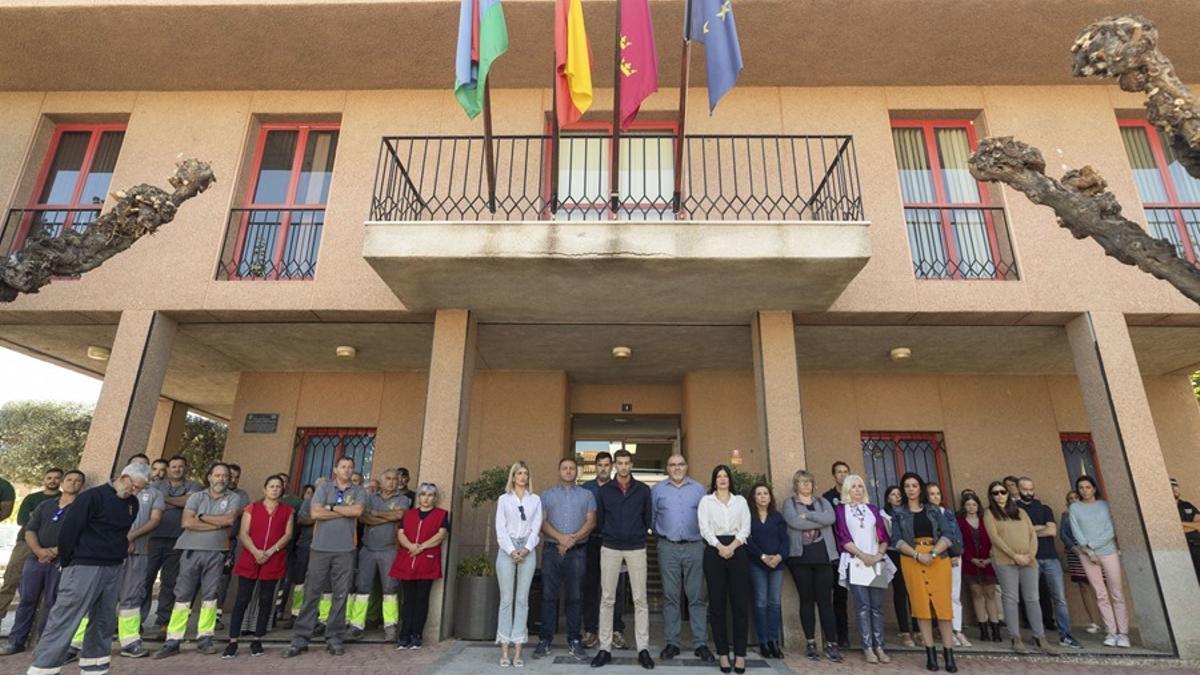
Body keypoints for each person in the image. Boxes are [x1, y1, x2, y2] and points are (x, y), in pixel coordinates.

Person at [24, 463, 149, 675]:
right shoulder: (92, 497)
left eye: (140, 489)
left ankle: (95, 669)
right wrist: (67, 561)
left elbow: (122, 532)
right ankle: (43, 668)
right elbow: (69, 531)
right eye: (135, 486)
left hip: (114, 567)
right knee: (65, 618)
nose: (136, 492)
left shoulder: (132, 503)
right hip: (84, 566)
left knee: (103, 621)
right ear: (124, 477)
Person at [153, 462, 242, 658]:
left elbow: (228, 521)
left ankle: (205, 638)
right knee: (182, 596)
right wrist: (214, 523)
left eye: (225, 476)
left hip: (217, 552)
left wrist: (201, 518)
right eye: (217, 475)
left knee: (210, 597)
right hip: (191, 550)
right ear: (209, 477)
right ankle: (173, 639)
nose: (221, 479)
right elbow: (186, 522)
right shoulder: (196, 497)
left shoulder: (233, 498)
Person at [284, 458, 367, 658]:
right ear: (335, 469)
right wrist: (341, 512)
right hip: (320, 548)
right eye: (343, 467)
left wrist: (329, 508)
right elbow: (315, 513)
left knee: (340, 594)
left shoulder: (358, 491)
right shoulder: (323, 488)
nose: (347, 470)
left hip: (346, 549)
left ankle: (334, 637)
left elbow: (357, 511)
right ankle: (301, 638)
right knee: (312, 593)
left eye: (350, 467)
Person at [0, 470, 83, 656]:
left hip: (60, 561)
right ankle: (16, 641)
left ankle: (43, 643)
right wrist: (38, 550)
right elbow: (30, 529)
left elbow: (80, 534)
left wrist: (55, 551)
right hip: (35, 559)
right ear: (63, 482)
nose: (73, 483)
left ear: (82, 485)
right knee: (26, 600)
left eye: (78, 481)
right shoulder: (45, 505)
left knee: (52, 602)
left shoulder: (82, 508)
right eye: (69, 479)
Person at [889, 472, 959, 673]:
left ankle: (948, 652)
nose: (911, 489)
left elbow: (947, 534)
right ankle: (929, 651)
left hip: (938, 558)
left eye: (914, 485)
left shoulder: (934, 510)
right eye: (907, 486)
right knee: (921, 607)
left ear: (920, 488)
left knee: (943, 607)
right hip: (912, 559)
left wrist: (934, 552)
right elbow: (897, 540)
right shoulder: (898, 513)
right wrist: (918, 556)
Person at [591, 449, 654, 670]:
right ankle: (604, 648)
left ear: (631, 464)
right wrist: (611, 533)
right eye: (620, 463)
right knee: (607, 599)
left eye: (627, 462)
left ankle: (643, 649)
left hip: (636, 547)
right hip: (610, 547)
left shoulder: (644, 490)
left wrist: (637, 534)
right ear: (615, 465)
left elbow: (648, 518)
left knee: (640, 600)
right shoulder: (605, 491)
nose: (624, 466)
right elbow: (601, 519)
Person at [983, 480, 1059, 656]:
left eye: (1002, 492)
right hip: (1005, 560)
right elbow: (995, 538)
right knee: (1011, 598)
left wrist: (1029, 556)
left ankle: (1040, 638)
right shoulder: (989, 513)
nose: (1000, 495)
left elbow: (1032, 534)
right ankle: (1015, 637)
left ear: (1008, 493)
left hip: (1028, 560)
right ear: (991, 496)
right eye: (995, 493)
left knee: (1033, 598)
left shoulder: (1021, 512)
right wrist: (1014, 555)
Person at [649, 454, 713, 663]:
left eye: (680, 464)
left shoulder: (699, 489)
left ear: (686, 467)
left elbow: (707, 518)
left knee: (696, 596)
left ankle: (700, 643)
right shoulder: (657, 490)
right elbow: (652, 518)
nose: (676, 468)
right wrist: (662, 538)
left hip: (695, 547)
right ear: (667, 468)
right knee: (670, 596)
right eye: (672, 465)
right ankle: (672, 643)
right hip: (668, 547)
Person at [224, 474, 294, 658]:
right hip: (250, 557)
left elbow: (287, 534)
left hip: (273, 558)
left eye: (278, 486)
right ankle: (233, 641)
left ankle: (257, 639)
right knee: (242, 599)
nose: (275, 489)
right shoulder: (252, 508)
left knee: (265, 600)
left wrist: (271, 551)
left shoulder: (288, 511)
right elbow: (243, 532)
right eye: (271, 486)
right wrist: (256, 551)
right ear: (265, 489)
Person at [535, 458, 596, 661]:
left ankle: (574, 640)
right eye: (565, 468)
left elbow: (591, 521)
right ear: (559, 471)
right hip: (552, 550)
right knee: (548, 596)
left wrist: (572, 539)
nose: (568, 471)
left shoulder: (587, 494)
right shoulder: (547, 495)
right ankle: (545, 640)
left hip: (577, 551)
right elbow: (541, 522)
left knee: (575, 597)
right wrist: (561, 539)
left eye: (572, 468)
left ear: (576, 472)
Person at [834, 474, 895, 664]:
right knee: (862, 606)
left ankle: (880, 646)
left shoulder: (872, 509)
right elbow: (843, 537)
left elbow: (883, 536)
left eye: (860, 486)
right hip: (856, 561)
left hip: (876, 561)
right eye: (854, 487)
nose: (858, 490)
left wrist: (878, 555)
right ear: (847, 489)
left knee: (877, 606)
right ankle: (867, 647)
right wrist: (863, 555)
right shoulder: (841, 510)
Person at [1015, 477, 1080, 648]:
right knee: (1033, 598)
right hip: (1030, 559)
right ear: (1018, 489)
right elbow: (1019, 534)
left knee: (1059, 598)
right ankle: (1039, 635)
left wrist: (1031, 530)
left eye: (1031, 489)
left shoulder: (1045, 508)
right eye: (1025, 489)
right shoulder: (1015, 510)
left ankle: (1065, 635)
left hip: (1051, 557)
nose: (1028, 492)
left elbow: (1051, 531)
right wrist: (1038, 528)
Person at [783, 469, 840, 662]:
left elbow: (830, 519)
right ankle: (810, 643)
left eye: (809, 482)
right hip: (800, 559)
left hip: (824, 558)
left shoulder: (823, 502)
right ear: (796, 485)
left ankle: (831, 644)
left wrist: (807, 516)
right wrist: (817, 518)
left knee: (826, 602)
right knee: (806, 601)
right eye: (802, 482)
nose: (806, 486)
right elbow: (793, 522)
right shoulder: (789, 503)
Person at [698, 465, 751, 674]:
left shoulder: (741, 501)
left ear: (730, 480)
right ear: (714, 480)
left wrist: (732, 546)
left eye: (725, 476)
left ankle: (740, 654)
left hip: (737, 550)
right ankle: (722, 654)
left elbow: (746, 528)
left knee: (740, 605)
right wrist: (720, 547)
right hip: (714, 551)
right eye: (718, 476)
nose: (722, 479)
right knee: (717, 604)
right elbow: (704, 528)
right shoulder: (706, 501)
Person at [1067, 475, 1129, 648]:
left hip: (1108, 552)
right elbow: (1076, 531)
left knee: (1116, 593)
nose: (1084, 490)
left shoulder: (1105, 505)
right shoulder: (1075, 508)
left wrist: (1092, 546)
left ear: (1094, 488)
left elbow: (1111, 530)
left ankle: (1123, 634)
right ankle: (1111, 632)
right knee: (1100, 594)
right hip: (1087, 555)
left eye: (1088, 487)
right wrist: (1088, 551)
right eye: (1081, 488)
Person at [144, 455, 202, 634]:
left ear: (186, 468)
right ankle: (137, 619)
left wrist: (164, 500)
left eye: (181, 466)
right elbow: (151, 507)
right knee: (145, 579)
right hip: (152, 538)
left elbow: (189, 503)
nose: (177, 469)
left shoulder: (194, 486)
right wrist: (178, 502)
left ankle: (164, 620)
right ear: (169, 469)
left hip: (178, 540)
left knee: (170, 582)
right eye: (174, 466)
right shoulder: (155, 486)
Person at [349, 468, 409, 641]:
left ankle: (390, 626)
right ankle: (356, 625)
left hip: (389, 549)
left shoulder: (403, 499)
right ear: (381, 481)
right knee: (362, 587)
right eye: (388, 479)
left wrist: (376, 514)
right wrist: (386, 517)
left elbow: (400, 515)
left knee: (390, 588)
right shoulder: (369, 498)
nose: (392, 482)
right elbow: (363, 518)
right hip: (368, 548)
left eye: (394, 479)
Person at [390, 482, 449, 649]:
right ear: (418, 497)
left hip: (426, 561)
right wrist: (410, 546)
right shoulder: (408, 515)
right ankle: (404, 635)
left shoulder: (441, 514)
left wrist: (421, 547)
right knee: (407, 600)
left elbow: (441, 535)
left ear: (435, 498)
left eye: (430, 495)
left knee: (422, 599)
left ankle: (417, 635)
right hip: (408, 560)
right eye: (423, 494)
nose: (426, 498)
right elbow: (400, 533)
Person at [494, 461, 542, 667]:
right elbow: (500, 528)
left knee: (522, 600)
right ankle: (504, 648)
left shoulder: (535, 500)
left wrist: (526, 549)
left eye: (525, 473)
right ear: (513, 477)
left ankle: (519, 649)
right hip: (507, 549)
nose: (522, 477)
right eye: (518, 473)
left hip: (527, 549)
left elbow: (536, 527)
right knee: (506, 599)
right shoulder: (504, 499)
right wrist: (511, 550)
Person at [0, 468, 63, 623]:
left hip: (52, 547)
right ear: (44, 479)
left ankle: (34, 626)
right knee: (11, 580)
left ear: (61, 480)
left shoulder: (65, 499)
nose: (52, 481)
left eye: (56, 478)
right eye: (49, 477)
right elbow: (23, 520)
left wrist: (37, 518)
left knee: (44, 590)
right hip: (25, 543)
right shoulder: (32, 498)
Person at [117, 453, 164, 658]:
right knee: (95, 595)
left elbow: (155, 520)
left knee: (132, 597)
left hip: (139, 552)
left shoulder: (154, 493)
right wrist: (119, 539)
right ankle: (77, 642)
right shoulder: (107, 493)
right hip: (107, 554)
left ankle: (129, 641)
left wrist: (131, 537)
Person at [581, 452, 628, 650]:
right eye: (600, 464)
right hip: (591, 542)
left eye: (607, 465)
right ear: (595, 466)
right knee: (590, 588)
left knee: (615, 588)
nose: (603, 468)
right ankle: (591, 630)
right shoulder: (585, 489)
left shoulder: (619, 487)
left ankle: (616, 630)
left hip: (614, 543)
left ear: (612, 467)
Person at [745, 482, 786, 660]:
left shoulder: (777, 517)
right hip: (757, 564)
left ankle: (773, 641)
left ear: (770, 497)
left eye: (765, 493)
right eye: (759, 494)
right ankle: (763, 642)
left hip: (777, 564)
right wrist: (762, 556)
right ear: (753, 498)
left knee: (774, 603)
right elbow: (747, 540)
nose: (762, 497)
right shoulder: (748, 517)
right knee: (761, 602)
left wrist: (778, 557)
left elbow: (785, 540)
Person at [926, 482, 970, 647]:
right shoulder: (927, 513)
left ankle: (957, 630)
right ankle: (946, 630)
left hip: (954, 557)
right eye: (932, 494)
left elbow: (954, 534)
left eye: (938, 493)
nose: (935, 497)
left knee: (954, 595)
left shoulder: (948, 513)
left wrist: (956, 553)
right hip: (938, 557)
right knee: (941, 595)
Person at [957, 492, 1001, 643]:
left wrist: (990, 558)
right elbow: (960, 543)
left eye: (974, 504)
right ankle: (983, 629)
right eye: (968, 504)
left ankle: (995, 628)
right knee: (976, 594)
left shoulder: (985, 520)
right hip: (970, 562)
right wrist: (971, 559)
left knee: (990, 593)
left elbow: (995, 539)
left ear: (978, 506)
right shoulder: (961, 522)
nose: (971, 507)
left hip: (988, 561)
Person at [1059, 490, 1102, 635]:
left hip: (1093, 551)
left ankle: (1106, 620)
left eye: (1076, 497)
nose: (1073, 500)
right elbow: (1063, 534)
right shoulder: (1065, 516)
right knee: (1084, 587)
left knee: (1100, 586)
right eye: (1070, 498)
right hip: (1076, 553)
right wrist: (1074, 548)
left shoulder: (1092, 513)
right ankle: (1093, 621)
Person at [822, 460, 852, 649]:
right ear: (834, 475)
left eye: (845, 471)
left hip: (853, 554)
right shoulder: (827, 498)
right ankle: (832, 636)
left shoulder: (855, 496)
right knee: (832, 596)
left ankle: (845, 636)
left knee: (845, 597)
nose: (842, 475)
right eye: (839, 472)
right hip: (834, 553)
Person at [882, 485, 915, 647]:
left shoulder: (908, 512)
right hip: (893, 553)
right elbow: (889, 536)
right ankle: (905, 631)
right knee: (900, 591)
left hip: (910, 552)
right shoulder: (883, 514)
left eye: (899, 494)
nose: (897, 497)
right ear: (888, 498)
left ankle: (918, 629)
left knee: (913, 591)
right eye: (893, 494)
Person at [1172, 478, 1200, 583]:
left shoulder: (1187, 505)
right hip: (1179, 548)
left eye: (1176, 487)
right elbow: (1170, 529)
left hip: (1197, 545)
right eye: (1171, 487)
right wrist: (1193, 526)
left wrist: (1180, 523)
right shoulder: (1162, 508)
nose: (1175, 490)